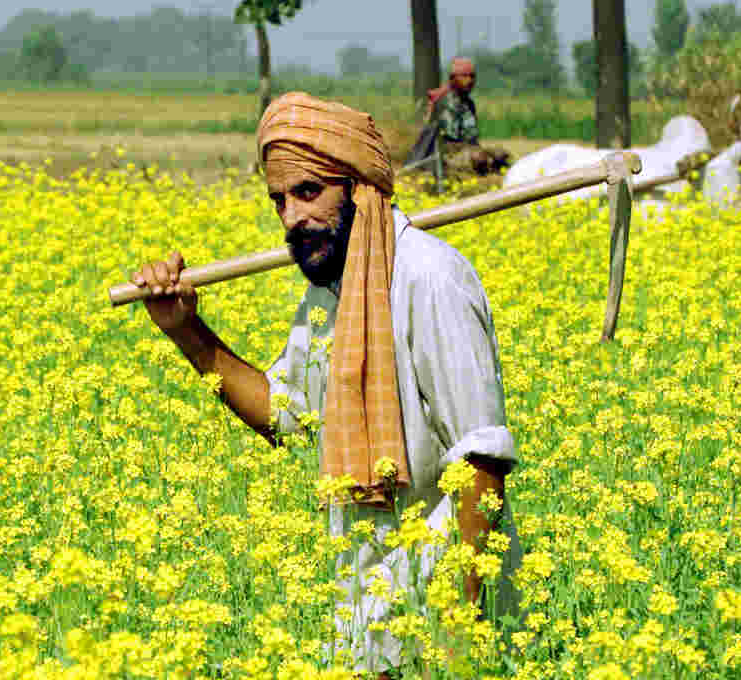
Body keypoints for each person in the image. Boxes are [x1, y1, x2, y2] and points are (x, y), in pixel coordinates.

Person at [130, 92, 521, 676]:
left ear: (359, 187)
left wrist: (459, 645)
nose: (292, 217)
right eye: (279, 200)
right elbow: (284, 415)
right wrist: (186, 331)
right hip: (371, 617)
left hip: (444, 620)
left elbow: (482, 465)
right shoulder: (331, 291)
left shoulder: (430, 278)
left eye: (309, 192)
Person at [413, 57, 510, 176]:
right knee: (481, 159)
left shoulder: (468, 103)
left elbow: (471, 138)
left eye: (472, 76)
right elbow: (450, 142)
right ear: (453, 78)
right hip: (446, 156)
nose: (469, 80)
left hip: (467, 150)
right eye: (464, 76)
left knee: (502, 156)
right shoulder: (447, 102)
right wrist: (478, 152)